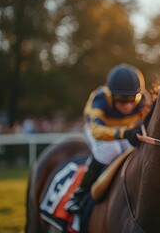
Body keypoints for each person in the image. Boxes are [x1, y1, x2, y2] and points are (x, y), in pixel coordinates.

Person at [65, 63, 152, 213]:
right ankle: (79, 194)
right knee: (110, 150)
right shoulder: (100, 99)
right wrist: (123, 134)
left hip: (125, 130)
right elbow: (97, 131)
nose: (127, 105)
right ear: (110, 95)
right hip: (98, 129)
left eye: (132, 99)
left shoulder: (144, 100)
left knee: (134, 151)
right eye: (121, 99)